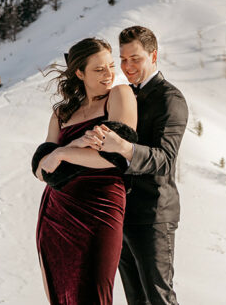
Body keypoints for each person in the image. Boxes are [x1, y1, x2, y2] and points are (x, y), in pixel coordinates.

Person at [81, 26, 188, 305]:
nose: (127, 66)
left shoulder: (170, 99)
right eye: (123, 59)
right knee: (136, 300)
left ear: (154, 56)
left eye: (135, 59)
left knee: (158, 297)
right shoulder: (123, 95)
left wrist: (124, 147)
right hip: (121, 213)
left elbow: (165, 160)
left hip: (154, 214)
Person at [34, 37, 138, 305]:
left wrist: (62, 153)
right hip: (56, 214)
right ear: (80, 73)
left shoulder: (119, 95)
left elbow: (116, 156)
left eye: (111, 66)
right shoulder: (62, 113)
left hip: (101, 207)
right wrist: (74, 148)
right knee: (62, 295)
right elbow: (41, 171)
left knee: (95, 293)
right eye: (99, 69)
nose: (109, 74)